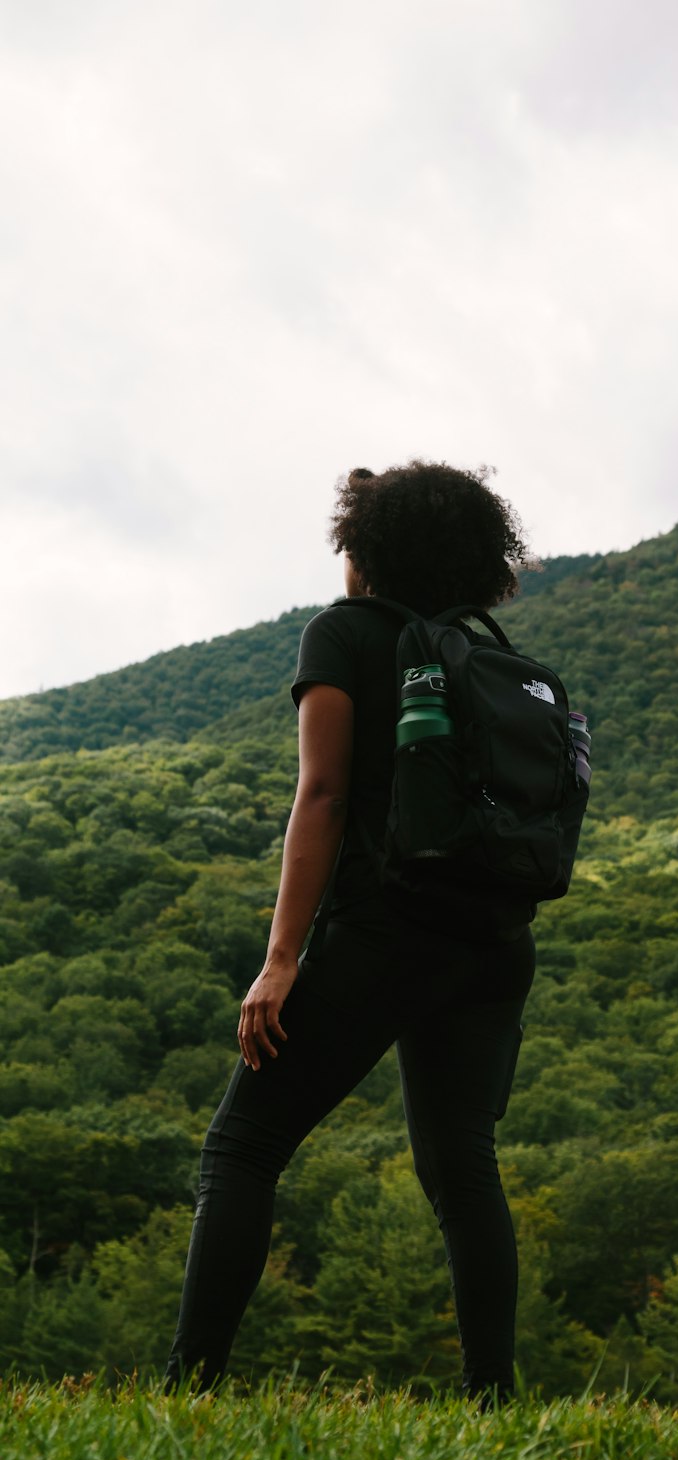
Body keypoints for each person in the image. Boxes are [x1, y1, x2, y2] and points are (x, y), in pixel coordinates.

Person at [164, 461, 536, 1403]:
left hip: (384, 929)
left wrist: (280, 960)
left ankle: (189, 1389)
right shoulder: (480, 656)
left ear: (366, 551)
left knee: (242, 1147)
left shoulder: (345, 635)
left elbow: (321, 795)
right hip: (492, 942)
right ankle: (493, 1396)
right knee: (462, 1170)